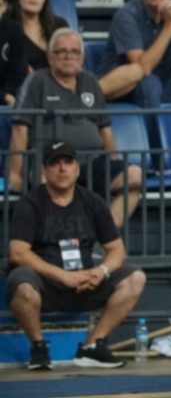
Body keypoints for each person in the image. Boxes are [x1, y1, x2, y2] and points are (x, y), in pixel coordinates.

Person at [7, 140, 146, 370]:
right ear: (45, 170)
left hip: (86, 283)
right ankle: (38, 348)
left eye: (68, 162)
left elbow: (117, 250)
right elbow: (18, 253)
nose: (62, 169)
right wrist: (63, 276)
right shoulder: (30, 203)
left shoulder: (92, 202)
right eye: (55, 163)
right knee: (21, 283)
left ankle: (92, 346)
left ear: (77, 169)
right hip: (46, 286)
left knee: (135, 277)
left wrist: (101, 271)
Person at [8, 28, 143, 225]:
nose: (68, 56)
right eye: (61, 52)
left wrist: (111, 162)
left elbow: (105, 130)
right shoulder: (36, 82)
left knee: (134, 177)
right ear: (50, 57)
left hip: (91, 162)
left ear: (82, 57)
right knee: (46, 184)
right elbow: (20, 129)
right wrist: (14, 174)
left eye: (74, 52)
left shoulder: (90, 81)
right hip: (50, 162)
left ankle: (103, 235)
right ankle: (61, 239)